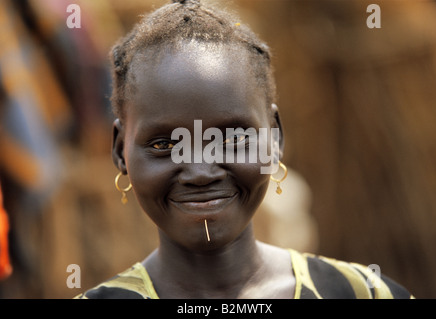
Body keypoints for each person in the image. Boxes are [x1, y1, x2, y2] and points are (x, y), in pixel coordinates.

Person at [76, 0, 413, 299]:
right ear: (121, 151)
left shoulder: (362, 293)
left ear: (275, 138)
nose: (201, 171)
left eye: (233, 139)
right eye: (165, 144)